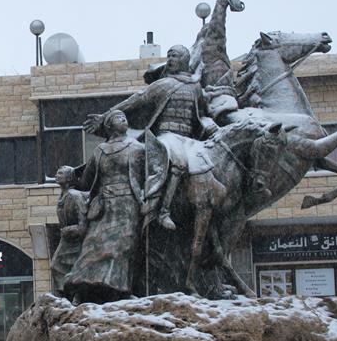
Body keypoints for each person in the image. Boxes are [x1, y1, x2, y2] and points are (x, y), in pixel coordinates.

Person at [84, 45, 217, 231]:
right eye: (169, 56)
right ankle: (162, 211)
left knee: (209, 163)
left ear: (185, 59)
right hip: (166, 137)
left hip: (188, 139)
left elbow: (202, 112)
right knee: (178, 162)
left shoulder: (195, 86)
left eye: (175, 56)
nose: (170, 59)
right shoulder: (163, 84)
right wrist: (105, 116)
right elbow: (135, 100)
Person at [63, 110, 145, 304]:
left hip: (128, 203)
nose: (123, 119)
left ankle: (120, 290)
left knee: (123, 246)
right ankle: (80, 288)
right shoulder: (100, 150)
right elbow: (87, 181)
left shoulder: (138, 147)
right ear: (109, 126)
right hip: (104, 204)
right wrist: (71, 179)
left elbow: (149, 175)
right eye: (117, 117)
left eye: (124, 117)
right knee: (93, 245)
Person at [50, 165, 88, 296]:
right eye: (57, 173)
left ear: (69, 178)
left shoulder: (74, 195)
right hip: (67, 239)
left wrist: (71, 230)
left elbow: (83, 223)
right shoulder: (63, 196)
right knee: (56, 266)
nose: (56, 175)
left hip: (76, 239)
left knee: (71, 268)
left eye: (60, 173)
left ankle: (74, 294)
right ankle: (67, 293)